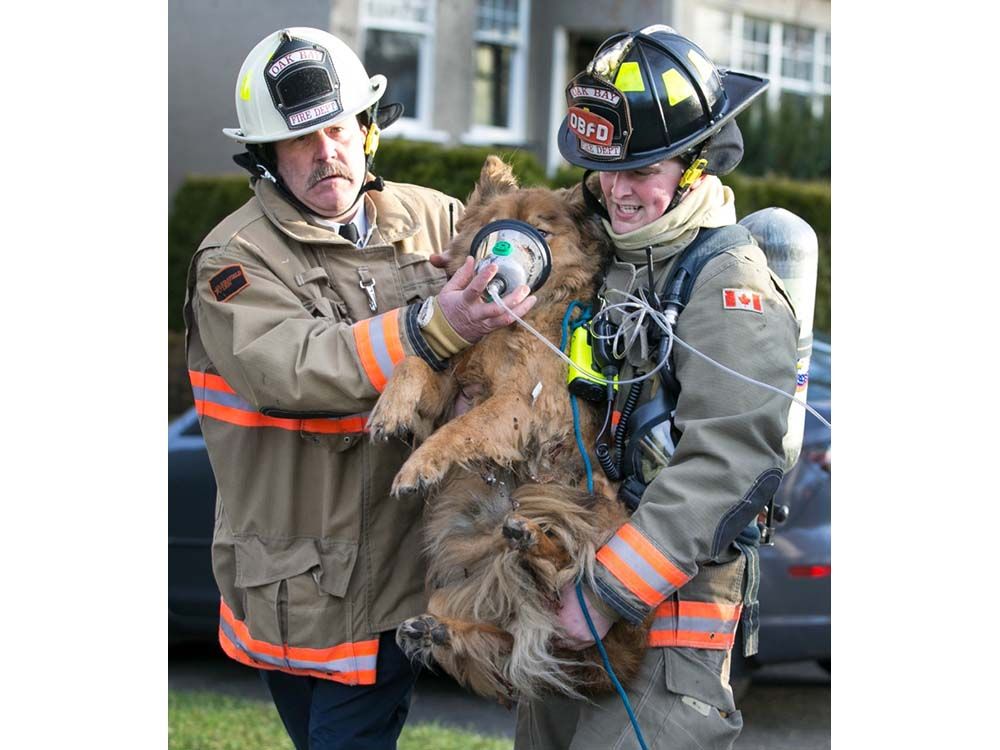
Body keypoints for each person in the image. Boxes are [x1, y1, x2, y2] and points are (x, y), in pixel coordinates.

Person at [183, 27, 535, 750]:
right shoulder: (235, 258)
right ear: (267, 158)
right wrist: (435, 325)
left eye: (338, 129)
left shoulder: (432, 218)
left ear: (367, 131)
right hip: (295, 587)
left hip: (397, 582)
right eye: (300, 141)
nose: (325, 153)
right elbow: (287, 366)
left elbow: (537, 271)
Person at [514, 25, 800, 749]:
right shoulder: (613, 257)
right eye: (608, 171)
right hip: (570, 595)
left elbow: (729, 462)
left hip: (667, 632)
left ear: (696, 166)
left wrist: (608, 593)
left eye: (643, 170)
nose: (618, 190)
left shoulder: (727, 286)